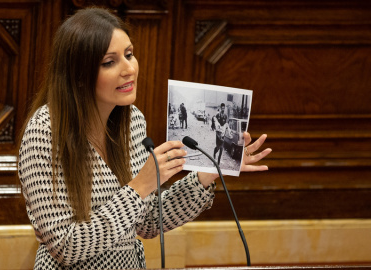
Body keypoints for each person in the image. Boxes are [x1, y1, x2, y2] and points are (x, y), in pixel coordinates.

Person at [18, 7, 272, 270]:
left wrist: (206, 175)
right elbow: (65, 246)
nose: (129, 69)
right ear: (79, 75)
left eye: (129, 55)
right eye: (109, 62)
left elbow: (147, 221)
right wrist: (140, 186)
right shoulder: (46, 131)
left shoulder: (133, 121)